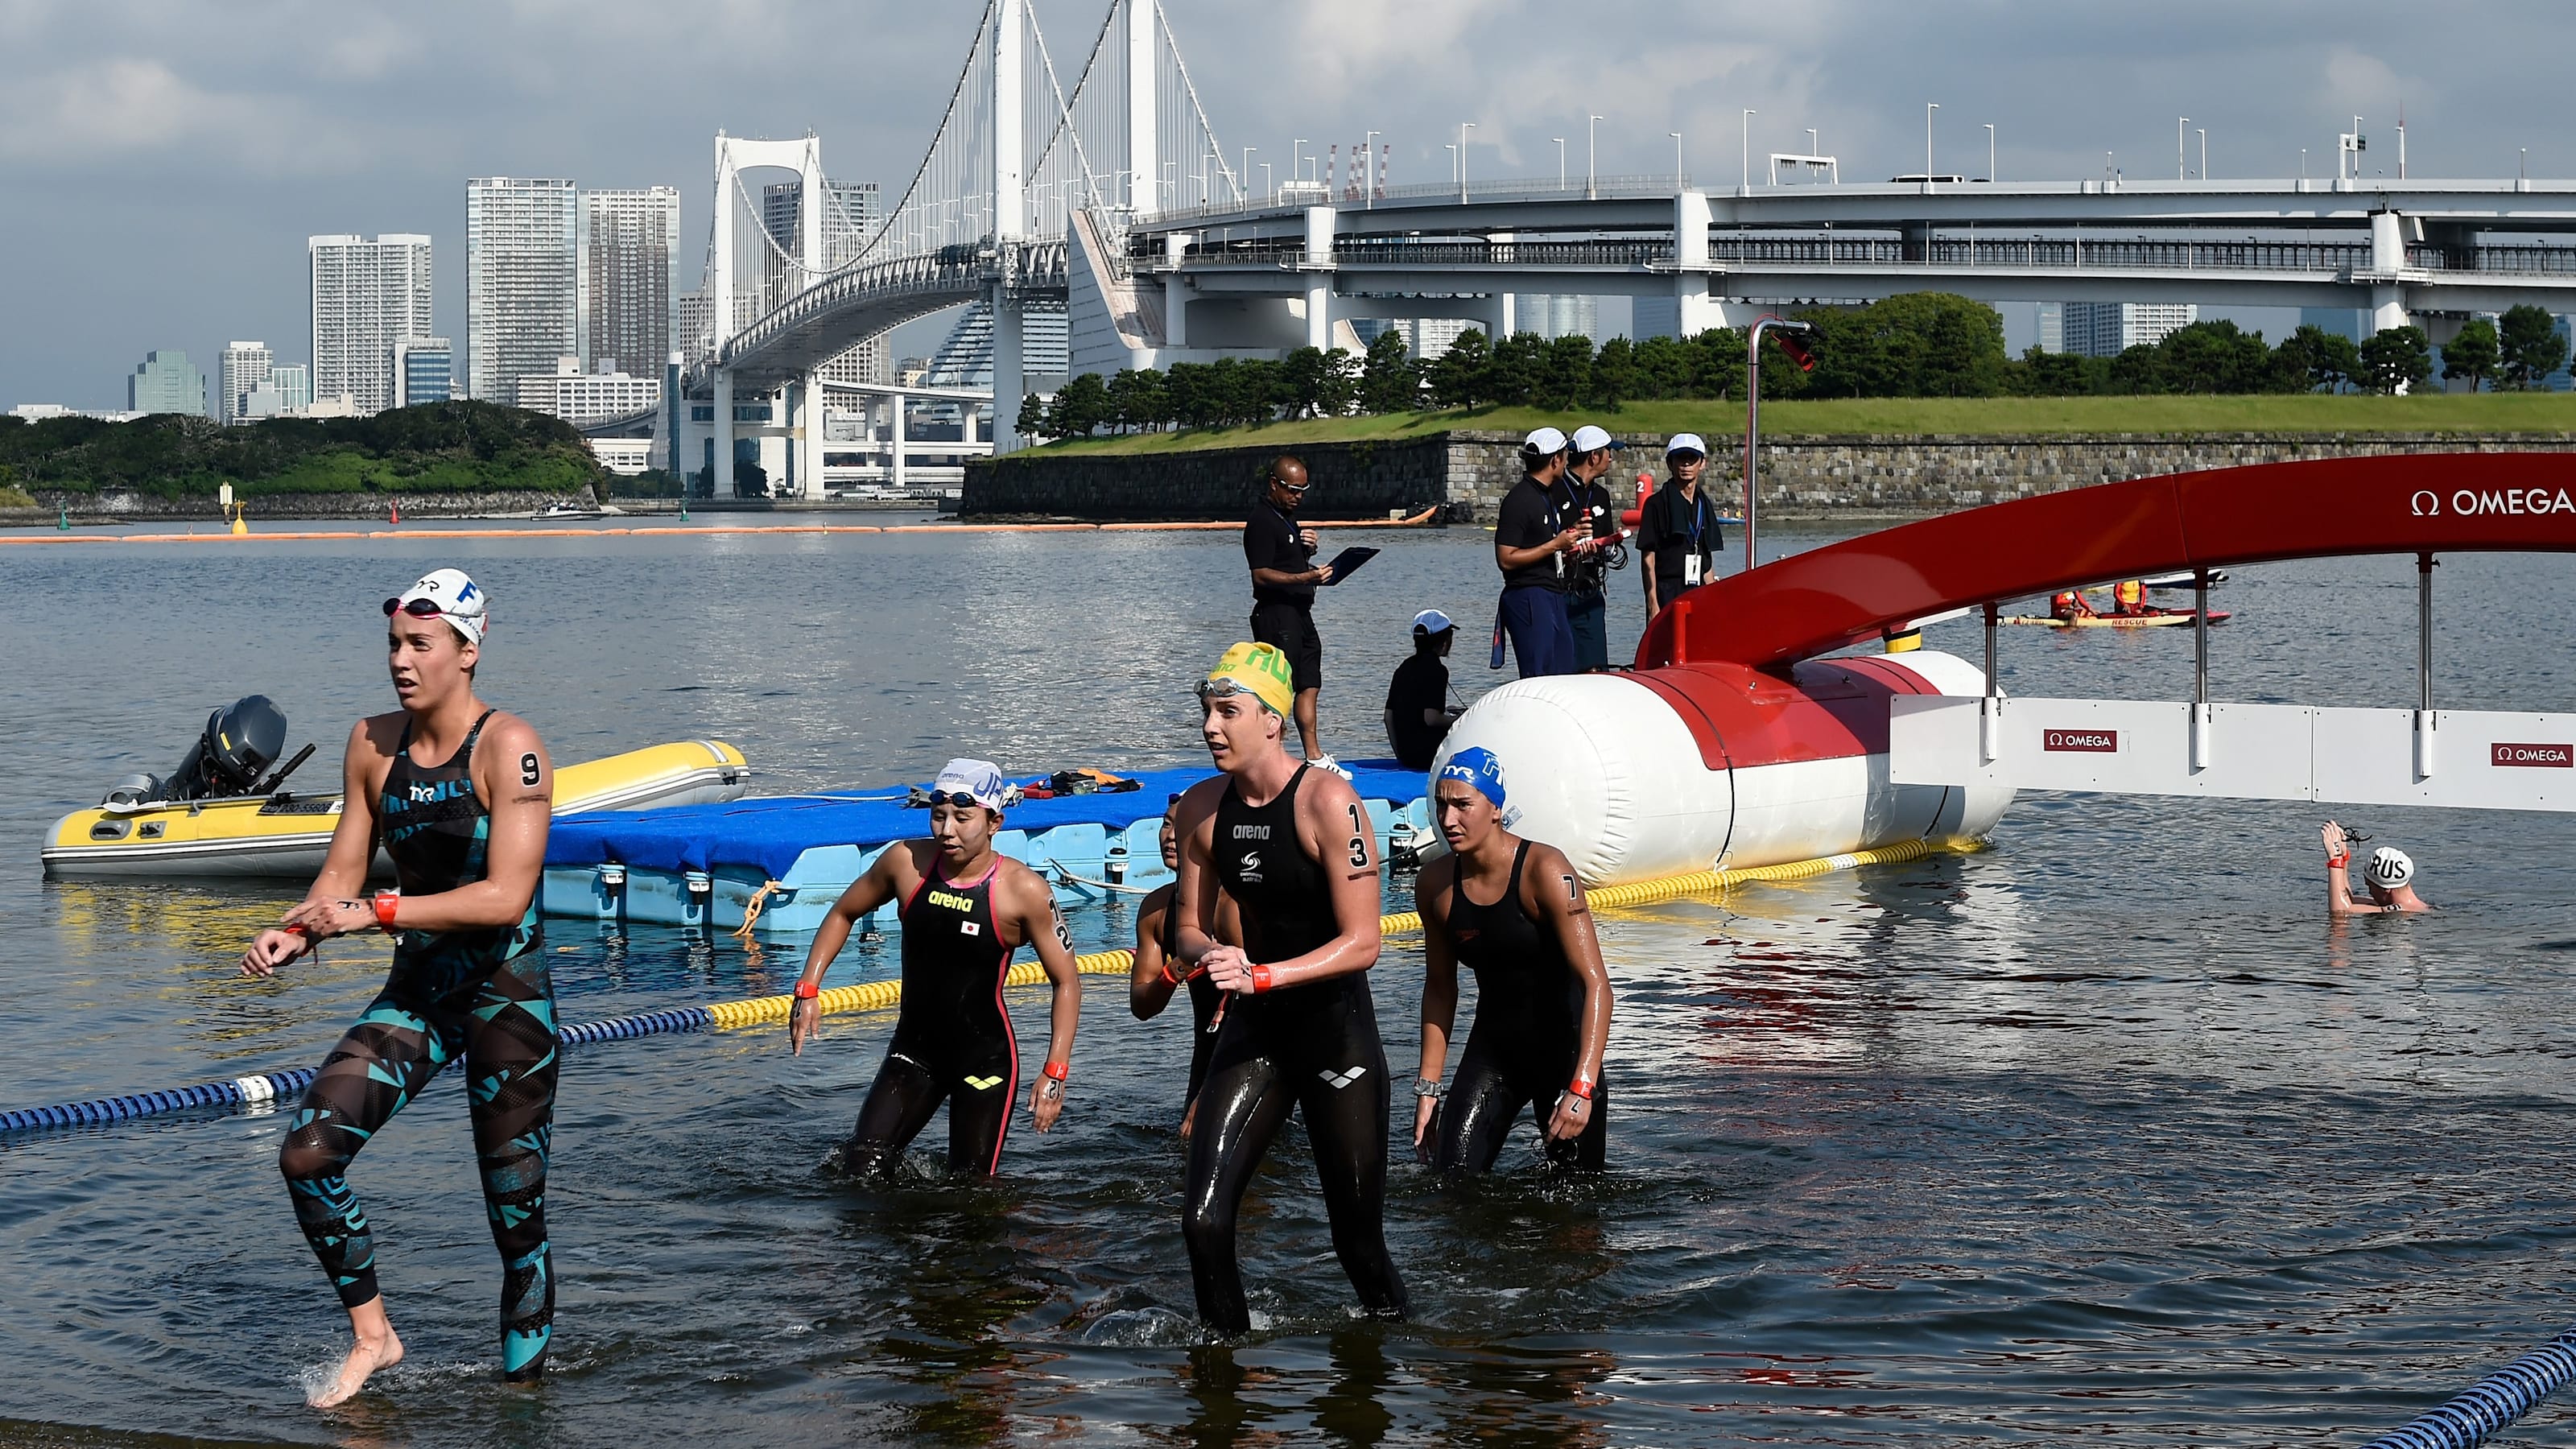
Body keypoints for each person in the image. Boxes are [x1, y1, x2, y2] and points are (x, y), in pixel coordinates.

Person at [239, 568, 559, 1406]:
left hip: (505, 998)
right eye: (394, 644)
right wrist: (297, 927)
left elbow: (505, 896)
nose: (401, 660)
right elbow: (340, 873)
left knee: (513, 1221)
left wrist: (375, 911)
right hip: (419, 994)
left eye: (421, 645)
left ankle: (521, 1407)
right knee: (307, 1154)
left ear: (467, 650)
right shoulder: (370, 743)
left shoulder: (509, 747)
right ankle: (374, 1337)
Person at [1170, 642, 1406, 1336]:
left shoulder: (1330, 802)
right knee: (1202, 1221)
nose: (1211, 727)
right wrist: (1212, 952)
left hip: (1338, 1037)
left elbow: (1365, 942)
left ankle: (1394, 1365)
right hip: (1258, 1030)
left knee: (1356, 1247)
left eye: (1228, 712)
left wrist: (1263, 973)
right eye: (1207, 713)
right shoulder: (1200, 810)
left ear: (1273, 721)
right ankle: (1227, 1380)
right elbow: (1186, 925)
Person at [787, 758, 1082, 1178]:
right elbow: (842, 913)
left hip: (985, 1062)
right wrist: (808, 989)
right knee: (860, 1169)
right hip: (913, 1052)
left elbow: (1066, 982)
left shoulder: (1023, 891)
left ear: (994, 822)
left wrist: (1055, 1071)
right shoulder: (905, 863)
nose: (947, 830)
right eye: (939, 816)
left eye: (963, 818)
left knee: (970, 1194)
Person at [1411, 749, 1612, 1174]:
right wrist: (1428, 1090)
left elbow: (1597, 987)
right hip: (1495, 1054)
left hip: (1566, 1057)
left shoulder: (1546, 871)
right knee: (1451, 1188)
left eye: (1463, 805)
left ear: (1496, 808)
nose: (1448, 820)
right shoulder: (1434, 884)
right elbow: (1441, 988)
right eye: (1442, 805)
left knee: (1576, 1211)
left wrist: (1582, 1086)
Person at [1129, 794, 1241, 1139]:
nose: (1170, 835)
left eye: (1184, 827)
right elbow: (1141, 1006)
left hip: (1253, 1053)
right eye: (1166, 823)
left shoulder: (1233, 906)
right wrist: (1175, 970)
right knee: (1189, 1160)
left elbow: (1264, 1007)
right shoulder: (1157, 911)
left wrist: (1214, 1089)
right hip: (1208, 1055)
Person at [1243, 454, 1346, 777]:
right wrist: (1306, 578)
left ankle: (1313, 755)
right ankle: (1268, 755)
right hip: (1276, 615)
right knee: (1279, 688)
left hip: (1301, 613)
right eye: (1292, 489)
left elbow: (1289, 562)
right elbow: (1260, 575)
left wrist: (1309, 555)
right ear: (1274, 484)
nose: (1299, 496)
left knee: (1309, 682)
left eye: (1304, 490)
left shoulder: (1287, 518)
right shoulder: (1261, 521)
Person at [1492, 427, 1586, 679]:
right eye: (1565, 455)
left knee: (1563, 673)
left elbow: (1545, 545)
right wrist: (1555, 545)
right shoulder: (1520, 499)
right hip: (1529, 596)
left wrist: (1569, 543)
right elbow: (1506, 558)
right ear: (1556, 460)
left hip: (1552, 593)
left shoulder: (1546, 495)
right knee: (1539, 676)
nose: (1567, 461)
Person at [1638, 433, 1724, 617]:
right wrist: (1652, 603)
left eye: (1692, 459)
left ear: (1702, 463)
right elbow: (1648, 558)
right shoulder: (1656, 504)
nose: (1686, 464)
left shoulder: (1704, 504)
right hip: (1667, 591)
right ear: (1670, 463)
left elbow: (1706, 559)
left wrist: (1715, 597)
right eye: (1680, 459)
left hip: (1698, 590)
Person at [1563, 425, 1624, 671]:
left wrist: (1609, 546)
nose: (1612, 457)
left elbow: (1607, 538)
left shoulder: (1601, 495)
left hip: (1589, 588)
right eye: (1608, 452)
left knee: (1595, 668)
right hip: (1558, 590)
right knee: (1561, 666)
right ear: (1594, 456)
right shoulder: (1555, 490)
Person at [1382, 609, 1463, 770]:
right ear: (1445, 641)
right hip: (1428, 756)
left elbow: (1388, 717)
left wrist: (1401, 755)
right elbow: (1431, 719)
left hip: (1407, 755)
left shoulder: (1404, 667)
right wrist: (1462, 719)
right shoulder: (1437, 670)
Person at [2321, 821, 2435, 914]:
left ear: (2385, 889)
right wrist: (2343, 856)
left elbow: (2340, 911)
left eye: (2370, 886)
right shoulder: (2403, 905)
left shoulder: (2404, 911)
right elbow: (2348, 901)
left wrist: (2335, 859)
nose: (2369, 892)